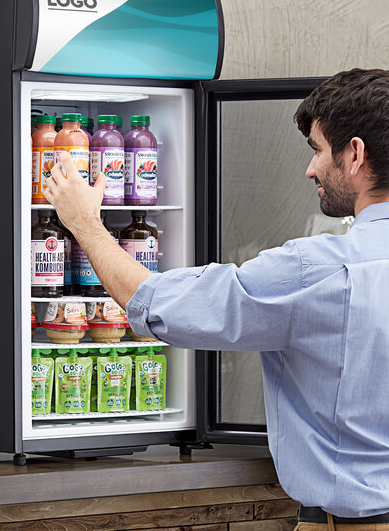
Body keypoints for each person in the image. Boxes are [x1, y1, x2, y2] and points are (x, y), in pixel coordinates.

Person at [44, 69, 389, 530]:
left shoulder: (314, 271)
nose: (310, 169)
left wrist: (84, 222)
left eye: (318, 150)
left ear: (354, 154)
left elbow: (154, 302)